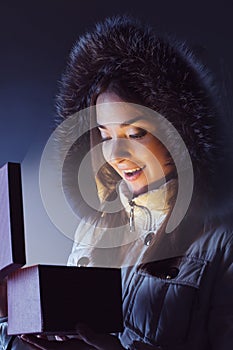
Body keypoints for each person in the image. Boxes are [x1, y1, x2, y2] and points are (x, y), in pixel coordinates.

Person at [1, 15, 233, 350]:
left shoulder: (220, 242)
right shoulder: (92, 229)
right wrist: (17, 317)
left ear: (180, 133)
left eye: (135, 133)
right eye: (106, 135)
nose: (117, 153)